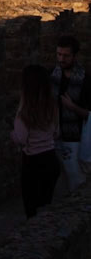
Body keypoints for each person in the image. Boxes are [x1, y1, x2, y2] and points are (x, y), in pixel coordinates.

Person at [12, 62, 60, 216]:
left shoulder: (25, 113)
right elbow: (56, 132)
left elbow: (21, 138)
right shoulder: (52, 107)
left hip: (33, 162)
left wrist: (11, 134)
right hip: (51, 159)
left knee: (32, 210)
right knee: (46, 206)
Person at [50, 34, 88, 192]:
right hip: (53, 137)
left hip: (75, 139)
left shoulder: (85, 80)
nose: (61, 59)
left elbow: (88, 114)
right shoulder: (52, 76)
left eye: (66, 55)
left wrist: (72, 107)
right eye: (59, 54)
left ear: (74, 56)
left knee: (76, 182)